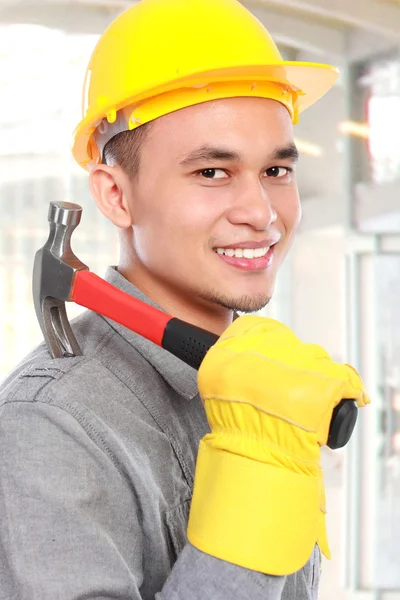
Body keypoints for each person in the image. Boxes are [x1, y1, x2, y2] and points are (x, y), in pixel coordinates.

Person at [0, 0, 370, 598]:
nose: (261, 213)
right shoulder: (51, 425)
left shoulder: (253, 389)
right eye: (212, 173)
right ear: (117, 196)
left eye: (277, 171)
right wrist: (255, 502)